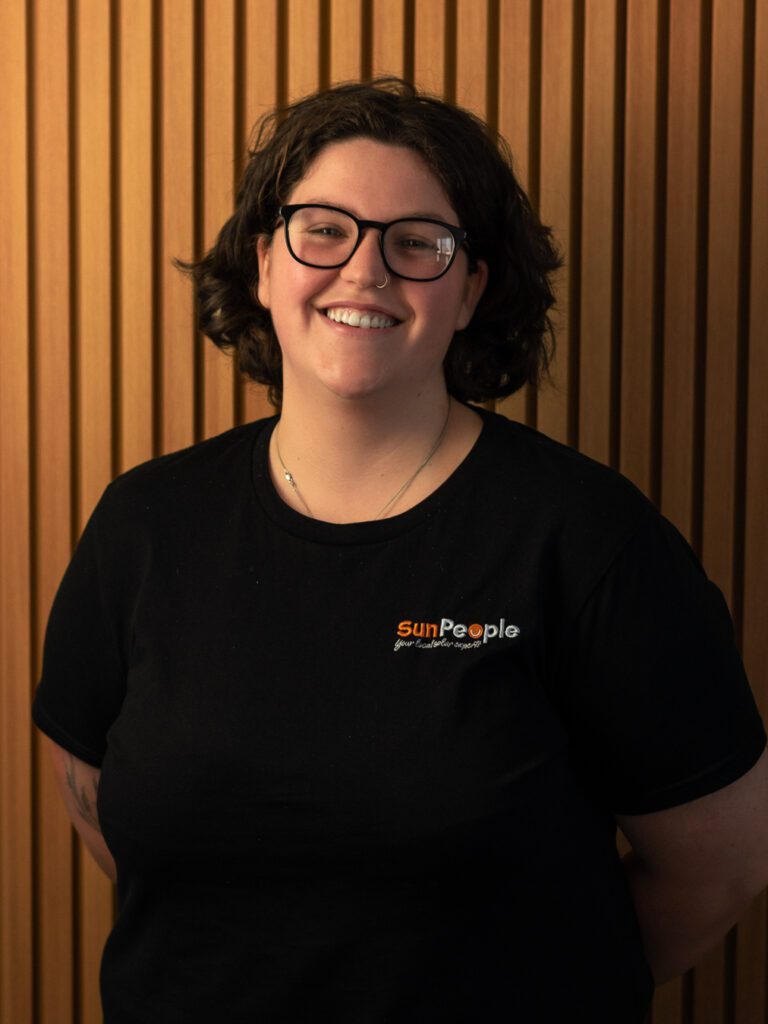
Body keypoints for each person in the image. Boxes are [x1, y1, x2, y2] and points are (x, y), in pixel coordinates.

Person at [33, 78, 768, 1023]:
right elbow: (100, 806)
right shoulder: (143, 524)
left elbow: (721, 868)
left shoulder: (590, 540)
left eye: (417, 242)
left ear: (470, 291)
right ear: (264, 264)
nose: (365, 271)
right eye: (324, 230)